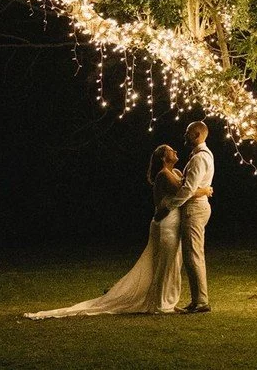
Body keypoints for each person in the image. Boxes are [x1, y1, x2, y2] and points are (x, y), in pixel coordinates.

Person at [24, 143, 211, 318]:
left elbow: (185, 187)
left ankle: (166, 300)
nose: (175, 151)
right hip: (166, 224)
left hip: (173, 221)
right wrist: (204, 190)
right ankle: (162, 303)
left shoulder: (175, 172)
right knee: (164, 263)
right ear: (163, 157)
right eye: (170, 150)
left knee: (173, 263)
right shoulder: (163, 175)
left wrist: (195, 189)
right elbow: (185, 191)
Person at [154, 120, 215, 313]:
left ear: (197, 135)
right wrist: (204, 190)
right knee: (192, 255)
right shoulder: (200, 156)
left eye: (188, 132)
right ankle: (198, 300)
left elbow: (188, 189)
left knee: (193, 255)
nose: (184, 135)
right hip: (195, 206)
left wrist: (170, 206)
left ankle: (201, 302)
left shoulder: (199, 158)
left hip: (194, 209)